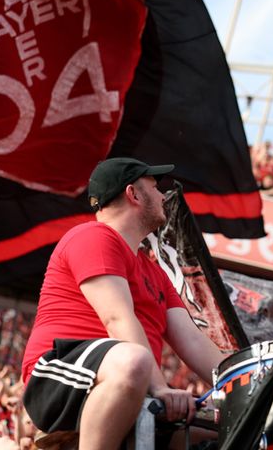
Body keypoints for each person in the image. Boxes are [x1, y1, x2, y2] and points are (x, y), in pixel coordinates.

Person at [20, 158, 226, 450]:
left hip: (131, 382)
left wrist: (244, 384)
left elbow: (192, 339)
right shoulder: (94, 236)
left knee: (229, 428)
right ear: (134, 194)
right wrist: (159, 387)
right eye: (155, 188)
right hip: (57, 376)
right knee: (134, 361)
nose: (164, 196)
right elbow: (116, 318)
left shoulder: (154, 270)